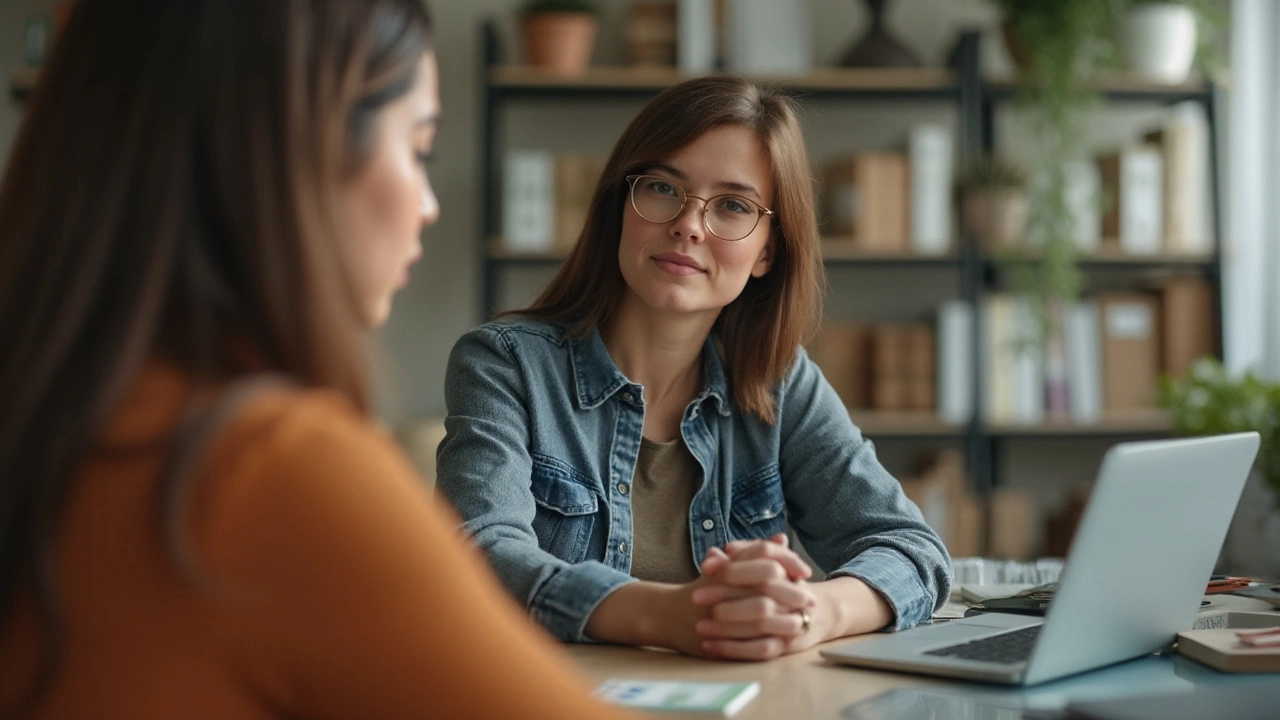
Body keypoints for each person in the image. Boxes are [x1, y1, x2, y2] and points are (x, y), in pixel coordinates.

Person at [0, 1, 638, 718]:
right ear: (297, 151)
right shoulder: (266, 471)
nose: (427, 203)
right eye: (418, 146)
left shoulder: (58, 416)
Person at [436, 75, 953, 661]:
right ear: (619, 210)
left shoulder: (778, 382)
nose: (689, 225)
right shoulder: (505, 363)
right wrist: (668, 615)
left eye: (733, 205)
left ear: (766, 252)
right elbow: (479, 554)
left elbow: (912, 548)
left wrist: (810, 613)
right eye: (662, 188)